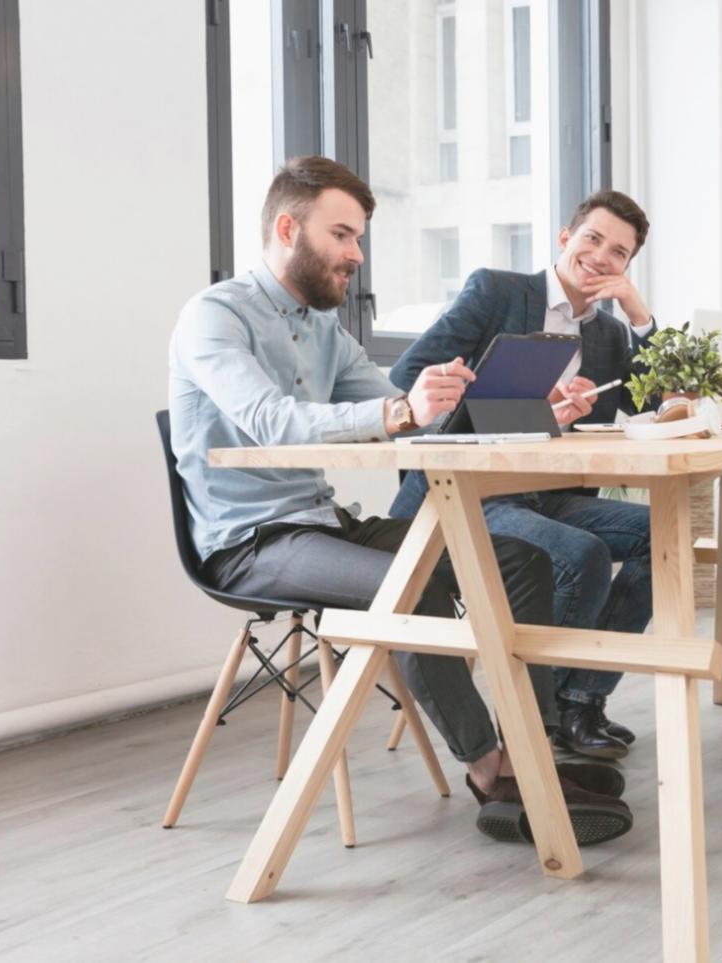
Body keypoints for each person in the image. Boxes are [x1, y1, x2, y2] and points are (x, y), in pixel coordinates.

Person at [168, 155, 632, 844]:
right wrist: (397, 414)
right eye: (343, 236)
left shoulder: (321, 326)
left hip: (324, 524)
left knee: (521, 560)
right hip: (250, 542)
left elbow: (404, 408)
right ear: (288, 228)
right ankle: (491, 768)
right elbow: (269, 419)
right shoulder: (214, 317)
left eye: (359, 239)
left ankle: (534, 753)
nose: (356, 254)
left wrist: (527, 409)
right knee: (410, 584)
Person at [389, 190, 658, 760]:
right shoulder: (498, 291)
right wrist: (526, 402)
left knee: (665, 533)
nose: (601, 257)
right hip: (465, 493)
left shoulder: (609, 335)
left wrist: (641, 317)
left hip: (544, 495)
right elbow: (410, 378)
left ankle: (579, 699)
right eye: (592, 239)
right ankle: (549, 717)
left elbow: (664, 395)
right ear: (565, 238)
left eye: (619, 253)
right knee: (580, 554)